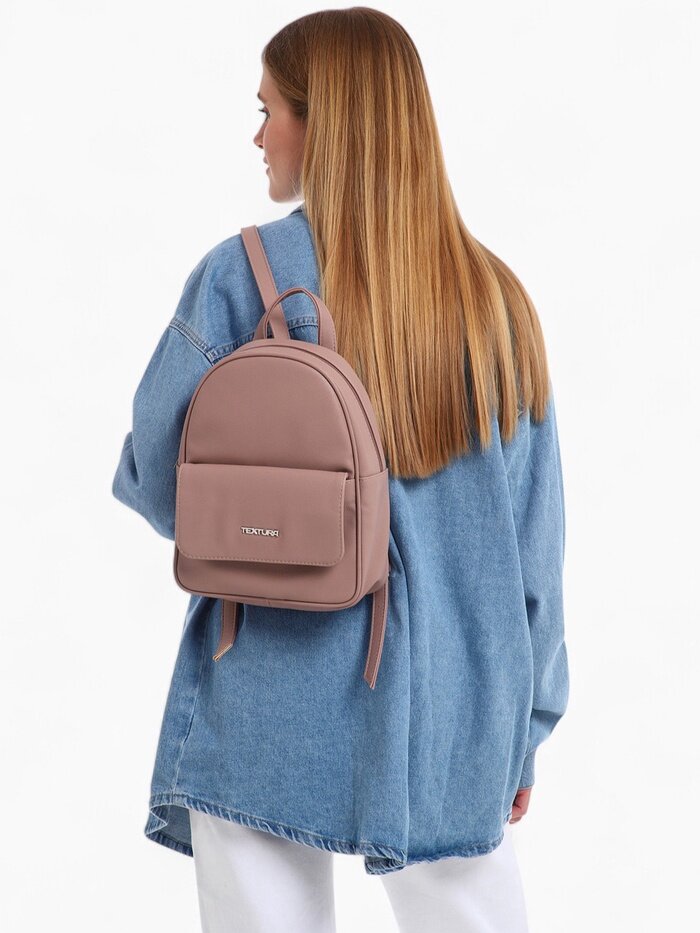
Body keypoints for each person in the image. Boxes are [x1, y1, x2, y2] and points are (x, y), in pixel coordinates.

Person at [111, 8, 569, 932]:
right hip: (453, 697)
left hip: (266, 677)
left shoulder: (243, 278)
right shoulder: (496, 303)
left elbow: (160, 481)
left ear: (322, 123)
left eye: (269, 110)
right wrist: (528, 722)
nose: (259, 136)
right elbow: (534, 550)